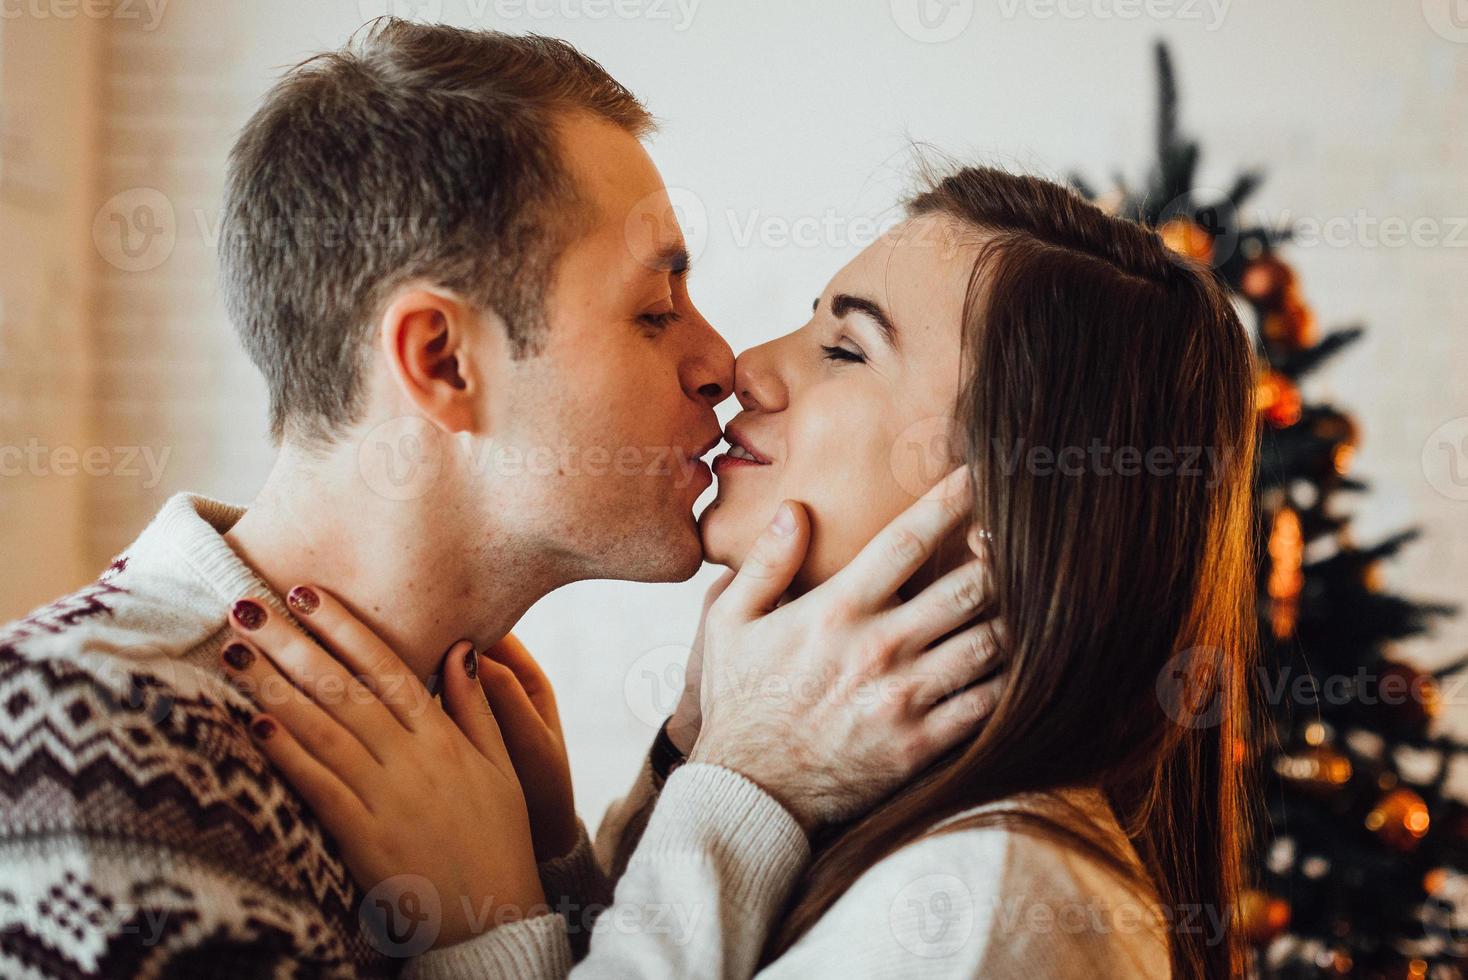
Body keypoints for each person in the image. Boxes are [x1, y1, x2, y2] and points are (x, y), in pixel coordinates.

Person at [0, 22, 999, 977]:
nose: (722, 362)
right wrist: (747, 782)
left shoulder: (471, 748)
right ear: (442, 359)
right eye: (654, 311)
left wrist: (580, 860)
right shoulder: (83, 749)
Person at [235, 167, 1260, 979]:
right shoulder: (873, 814)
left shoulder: (985, 905)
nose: (746, 364)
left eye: (846, 348)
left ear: (1020, 504)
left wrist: (487, 934)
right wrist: (570, 863)